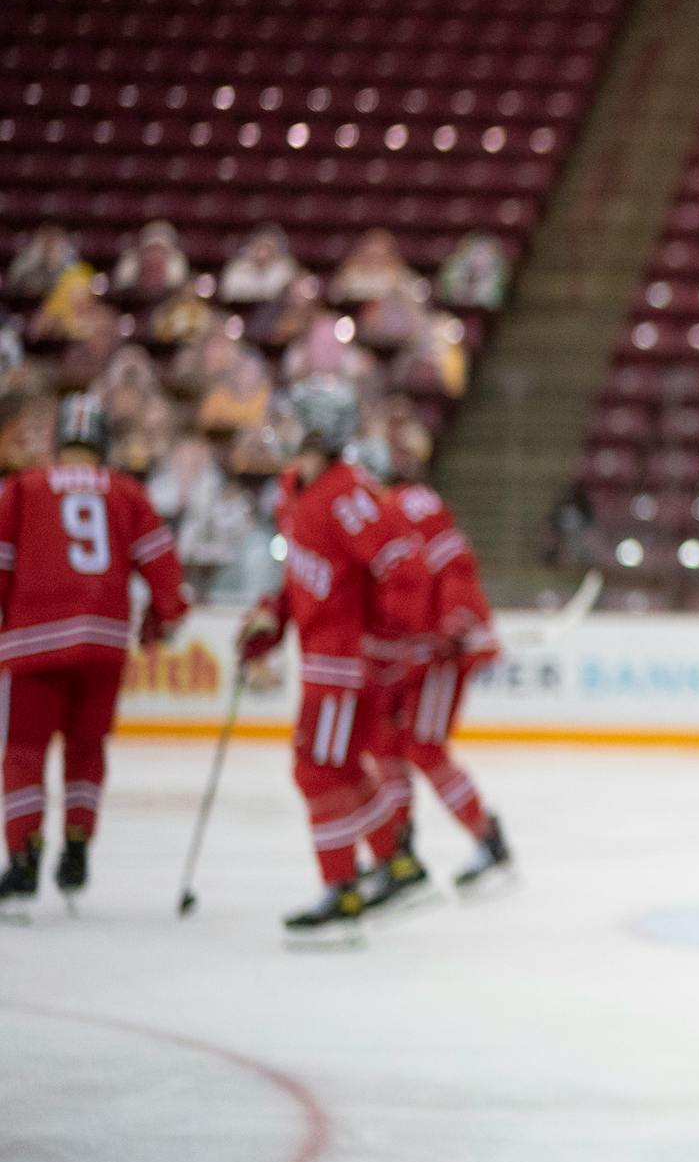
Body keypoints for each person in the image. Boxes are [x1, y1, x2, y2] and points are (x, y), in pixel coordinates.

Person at [234, 376, 443, 942]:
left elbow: (404, 565)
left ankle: (342, 888)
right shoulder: (295, 490)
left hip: (344, 664)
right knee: (343, 768)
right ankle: (396, 863)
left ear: (320, 430)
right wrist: (271, 622)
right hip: (324, 659)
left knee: (316, 769)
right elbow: (303, 580)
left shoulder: (346, 492)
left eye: (295, 420)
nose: (283, 429)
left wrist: (386, 640)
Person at [0, 395, 189, 915]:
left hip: (32, 641)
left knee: (22, 751)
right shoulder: (127, 492)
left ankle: (23, 858)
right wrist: (164, 616)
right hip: (103, 642)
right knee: (87, 750)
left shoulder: (22, 488)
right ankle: (78, 847)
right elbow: (163, 564)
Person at [353, 426, 513, 892]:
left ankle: (487, 838)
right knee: (386, 748)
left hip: (440, 654)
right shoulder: (369, 516)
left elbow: (452, 559)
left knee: (422, 748)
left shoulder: (410, 504)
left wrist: (457, 617)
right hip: (409, 656)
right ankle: (398, 853)